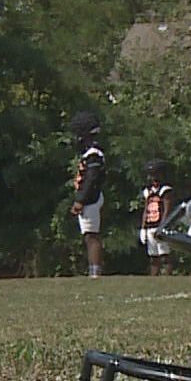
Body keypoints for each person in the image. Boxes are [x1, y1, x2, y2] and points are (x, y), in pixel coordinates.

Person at [68, 110, 106, 278]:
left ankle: (95, 271)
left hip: (91, 199)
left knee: (92, 235)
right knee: (88, 235)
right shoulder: (89, 154)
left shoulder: (94, 155)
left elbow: (91, 180)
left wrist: (81, 200)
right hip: (88, 198)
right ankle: (93, 269)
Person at [139, 159, 175, 276]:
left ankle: (167, 276)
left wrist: (163, 226)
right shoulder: (148, 192)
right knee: (153, 256)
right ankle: (154, 278)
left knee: (164, 254)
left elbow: (167, 210)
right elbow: (146, 210)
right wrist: (143, 228)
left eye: (155, 174)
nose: (153, 177)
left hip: (160, 226)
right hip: (150, 226)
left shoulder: (165, 191)